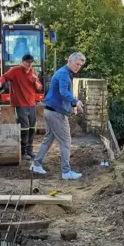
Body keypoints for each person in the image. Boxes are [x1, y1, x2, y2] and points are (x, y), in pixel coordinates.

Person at [30, 52, 86, 180]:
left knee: (48, 139)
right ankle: (66, 172)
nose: (78, 67)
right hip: (56, 113)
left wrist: (72, 104)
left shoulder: (65, 72)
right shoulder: (64, 74)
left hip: (51, 110)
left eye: (80, 65)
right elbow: (63, 92)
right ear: (70, 61)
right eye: (77, 64)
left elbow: (62, 93)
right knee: (66, 142)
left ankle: (36, 164)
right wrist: (75, 101)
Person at [0, 53, 43, 160]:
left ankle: (30, 151)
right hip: (20, 104)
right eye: (27, 62)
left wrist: (35, 82)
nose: (29, 64)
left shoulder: (33, 73)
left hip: (31, 104)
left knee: (32, 128)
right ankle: (23, 151)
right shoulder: (15, 71)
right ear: (22, 62)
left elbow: (39, 88)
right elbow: (5, 77)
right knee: (24, 128)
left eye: (31, 62)